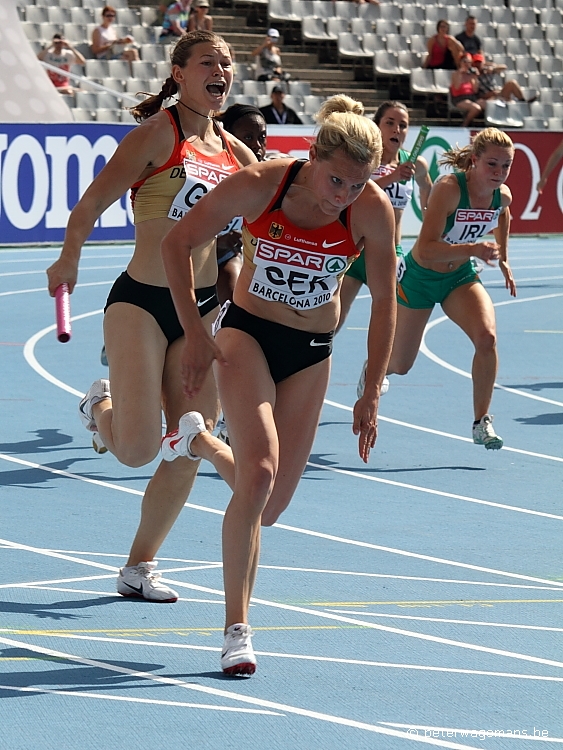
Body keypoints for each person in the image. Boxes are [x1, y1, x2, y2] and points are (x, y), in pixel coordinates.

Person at [159, 95, 397, 675]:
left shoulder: (371, 209)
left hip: (312, 353)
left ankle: (199, 441)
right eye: (336, 180)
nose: (343, 195)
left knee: (269, 507)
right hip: (248, 336)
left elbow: (387, 302)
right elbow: (176, 244)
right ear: (312, 156)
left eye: (356, 185)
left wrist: (371, 391)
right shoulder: (261, 184)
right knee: (259, 473)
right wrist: (194, 331)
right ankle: (236, 629)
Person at [46, 31, 255, 604]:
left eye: (228, 63)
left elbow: (263, 231)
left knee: (190, 442)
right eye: (209, 62)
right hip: (141, 303)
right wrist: (68, 258)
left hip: (203, 312)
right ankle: (101, 405)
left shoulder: (238, 155)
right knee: (137, 450)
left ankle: (139, 565)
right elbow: (90, 203)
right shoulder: (155, 137)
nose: (221, 71)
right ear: (180, 73)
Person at [387, 128, 516, 450]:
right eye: (492, 165)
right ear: (474, 161)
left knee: (487, 338)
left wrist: (504, 260)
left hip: (459, 278)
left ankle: (481, 421)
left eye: (506, 166)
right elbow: (427, 248)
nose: (499, 173)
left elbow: (504, 217)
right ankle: (376, 367)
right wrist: (474, 248)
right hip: (420, 278)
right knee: (401, 365)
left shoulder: (503, 196)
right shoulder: (449, 189)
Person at [215, 104, 268, 305]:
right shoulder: (212, 174)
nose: (256, 145)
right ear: (228, 138)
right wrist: (217, 242)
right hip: (190, 257)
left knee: (235, 306)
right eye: (248, 137)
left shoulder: (271, 176)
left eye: (262, 137)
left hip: (228, 256)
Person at [450, 53, 486, 127]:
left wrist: (475, 77)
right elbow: (457, 87)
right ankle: (464, 125)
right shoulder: (455, 74)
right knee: (476, 108)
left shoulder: (471, 75)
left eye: (469, 62)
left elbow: (475, 90)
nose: (467, 64)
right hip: (459, 98)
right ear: (460, 63)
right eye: (464, 62)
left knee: (487, 104)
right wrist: (461, 74)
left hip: (471, 97)